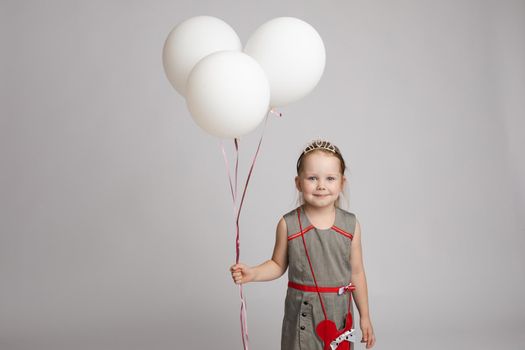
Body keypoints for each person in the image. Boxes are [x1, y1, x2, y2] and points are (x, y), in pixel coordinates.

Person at [230, 139, 376, 349]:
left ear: (341, 183)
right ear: (298, 183)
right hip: (301, 315)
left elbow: (357, 273)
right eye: (312, 178)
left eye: (330, 178)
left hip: (338, 314)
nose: (321, 185)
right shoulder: (288, 224)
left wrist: (365, 316)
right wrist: (252, 273)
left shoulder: (350, 225)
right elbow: (278, 264)